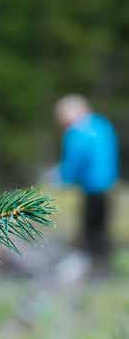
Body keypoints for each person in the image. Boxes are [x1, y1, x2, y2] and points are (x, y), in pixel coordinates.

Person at [52, 95, 118, 271]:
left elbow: (75, 161)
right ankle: (103, 264)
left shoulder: (77, 133)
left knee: (90, 226)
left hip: (92, 186)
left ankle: (91, 263)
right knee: (102, 225)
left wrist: (63, 178)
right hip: (108, 184)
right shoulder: (102, 125)